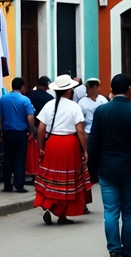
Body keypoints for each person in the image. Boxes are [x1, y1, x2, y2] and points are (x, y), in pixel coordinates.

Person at [88, 73, 131, 257]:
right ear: (129, 89)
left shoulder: (102, 111)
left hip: (107, 170)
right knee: (130, 215)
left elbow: (94, 143)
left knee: (111, 212)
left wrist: (92, 170)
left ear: (112, 90)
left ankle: (114, 252)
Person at [34, 73, 90, 225]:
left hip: (52, 143)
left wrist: (41, 147)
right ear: (68, 91)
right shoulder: (74, 106)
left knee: (52, 179)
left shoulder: (49, 105)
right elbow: (80, 130)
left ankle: (49, 206)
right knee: (66, 181)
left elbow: (40, 129)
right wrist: (84, 150)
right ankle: (62, 215)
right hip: (69, 145)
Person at [0, 76, 36, 193]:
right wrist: (31, 131)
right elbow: (30, 117)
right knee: (19, 158)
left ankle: (7, 185)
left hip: (7, 133)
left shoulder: (3, 99)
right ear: (22, 87)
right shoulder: (25, 100)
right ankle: (19, 185)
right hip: (21, 133)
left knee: (7, 158)